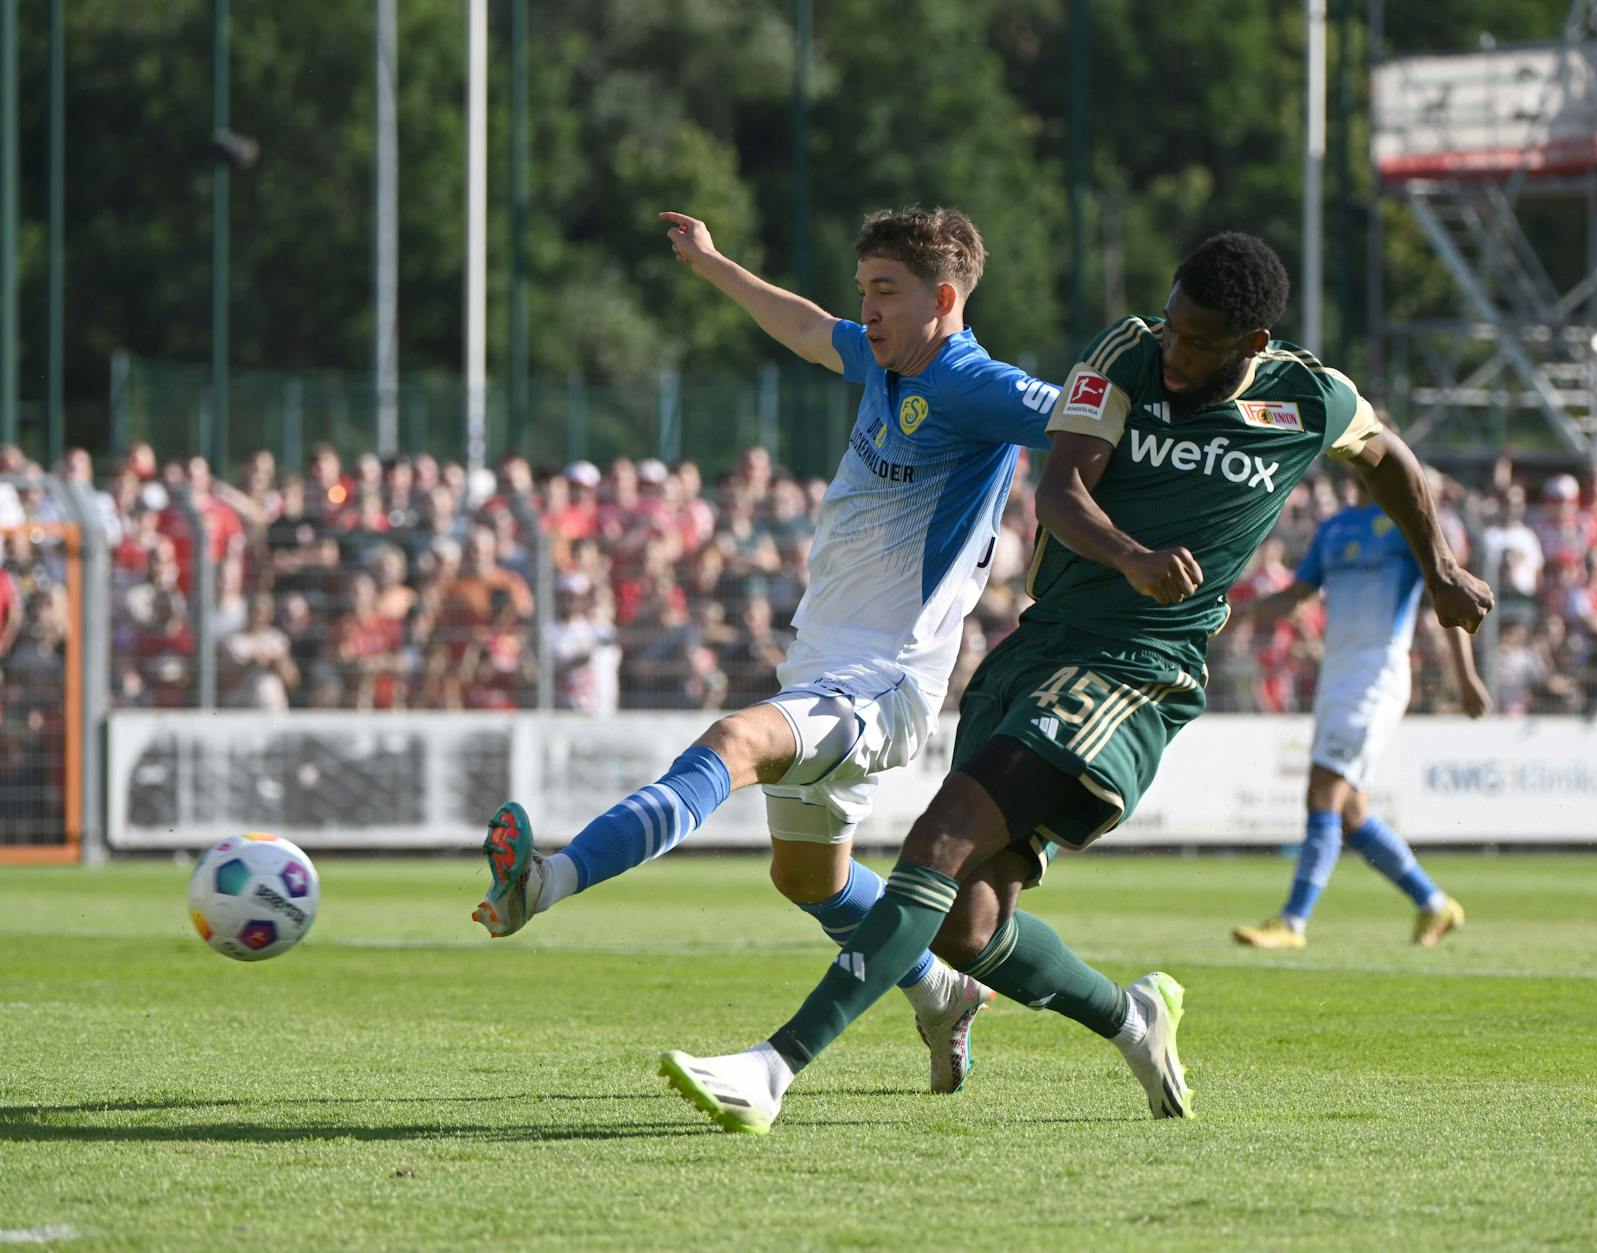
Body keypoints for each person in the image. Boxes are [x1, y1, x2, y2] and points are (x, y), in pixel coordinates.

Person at [653, 232, 1494, 1134]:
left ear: (1252, 346)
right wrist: (1130, 554)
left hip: (1141, 667)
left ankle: (773, 1067)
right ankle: (1133, 1018)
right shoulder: (1125, 353)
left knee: (937, 841)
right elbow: (1060, 492)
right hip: (1041, 646)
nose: (1174, 354)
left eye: (1197, 342)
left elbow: (1391, 457)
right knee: (965, 926)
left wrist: (1439, 566)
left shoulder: (1309, 397)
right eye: (1171, 328)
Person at [472, 206, 1061, 1095]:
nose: (864, 311)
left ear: (945, 298)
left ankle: (544, 883)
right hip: (822, 667)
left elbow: (1089, 428)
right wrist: (713, 265)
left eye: (884, 293)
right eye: (863, 289)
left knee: (731, 743)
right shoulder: (883, 358)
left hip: (885, 681)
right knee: (809, 880)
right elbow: (802, 325)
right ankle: (942, 993)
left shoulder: (980, 386)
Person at [1230, 469, 1489, 951]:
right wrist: (1238, 611)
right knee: (1351, 813)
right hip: (1337, 675)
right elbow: (1295, 596)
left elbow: (1446, 593)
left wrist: (1464, 676)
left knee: (1323, 789)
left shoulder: (1409, 526)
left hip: (1377, 675)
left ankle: (1293, 921)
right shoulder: (1334, 528)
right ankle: (1435, 904)